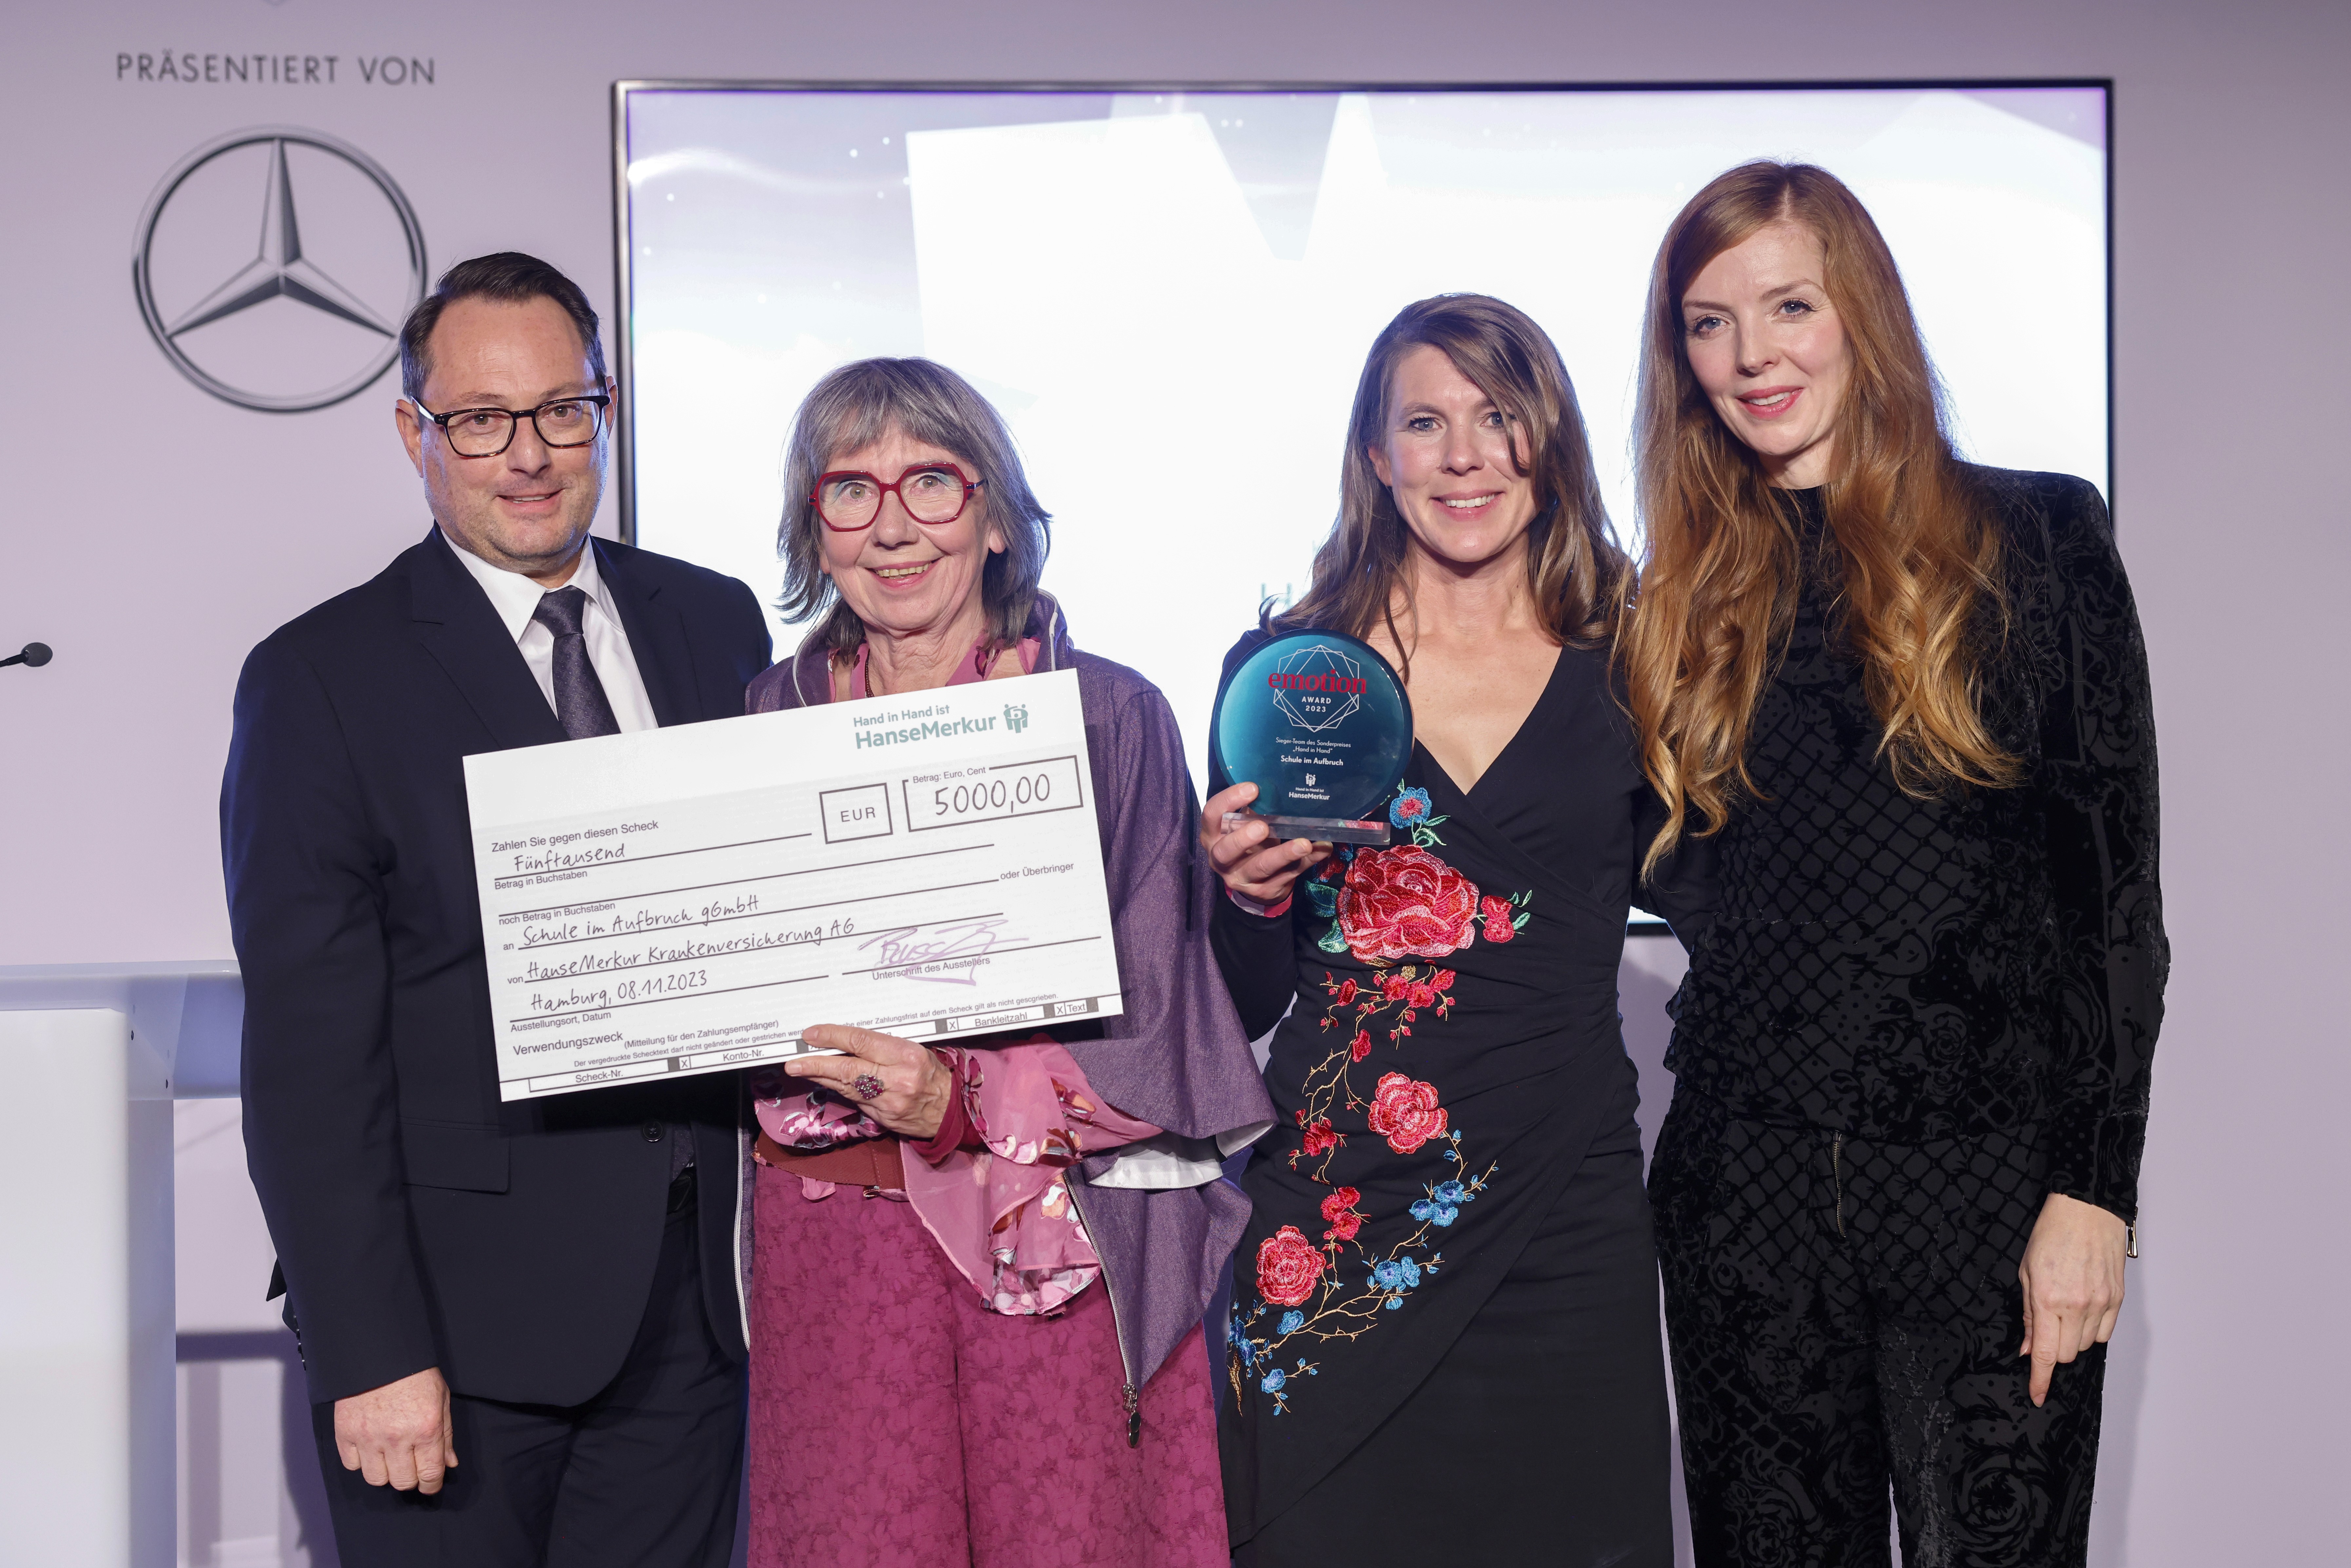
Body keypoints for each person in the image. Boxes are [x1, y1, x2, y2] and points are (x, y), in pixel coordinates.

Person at [1621, 162, 2165, 1567]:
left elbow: (2117, 904)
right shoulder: (1664, 610)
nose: (1753, 357)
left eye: (1788, 305)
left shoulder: (2040, 540)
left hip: (1991, 1194)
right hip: (1748, 1203)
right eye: (1708, 322)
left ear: (1859, 310)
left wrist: (2098, 1190)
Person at [221, 253, 772, 1566]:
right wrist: (372, 1352)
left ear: (605, 414)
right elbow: (308, 1064)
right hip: (451, 1356)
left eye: (560, 411)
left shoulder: (714, 621)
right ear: (418, 436)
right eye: (480, 419)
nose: (526, 456)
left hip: (696, 1329)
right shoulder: (319, 678)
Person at [738, 356, 1274, 1568]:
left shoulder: (1111, 715)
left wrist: (958, 1098)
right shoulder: (763, 721)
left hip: (1061, 1234)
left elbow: (1163, 1020)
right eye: (850, 492)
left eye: (931, 481)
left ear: (993, 518)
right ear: (812, 531)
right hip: (842, 1248)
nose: (893, 526)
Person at [1205, 295, 1711, 1563]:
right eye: (1426, 423)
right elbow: (1240, 994)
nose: (1466, 455)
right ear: (1378, 458)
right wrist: (1246, 894)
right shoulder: (1289, 673)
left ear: (1551, 441)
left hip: (1566, 1227)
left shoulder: (1643, 657)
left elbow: (1738, 911)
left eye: (1498, 418)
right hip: (1336, 1223)